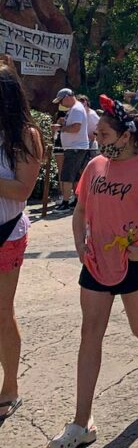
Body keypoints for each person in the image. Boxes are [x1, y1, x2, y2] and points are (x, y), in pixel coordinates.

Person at [46, 97, 138, 448]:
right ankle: (82, 422)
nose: (98, 140)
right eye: (96, 134)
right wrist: (80, 244)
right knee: (90, 332)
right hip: (95, 262)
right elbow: (80, 211)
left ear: (126, 136)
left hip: (134, 262)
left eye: (105, 133)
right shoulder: (95, 166)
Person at [0, 66, 43, 422]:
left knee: (2, 312)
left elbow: (22, 190)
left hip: (6, 233)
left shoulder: (26, 136)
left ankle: (10, 385)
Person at [52, 88, 91, 209]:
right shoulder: (75, 109)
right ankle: (76, 200)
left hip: (75, 147)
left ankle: (65, 203)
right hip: (75, 147)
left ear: (67, 97)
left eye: (61, 100)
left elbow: (76, 128)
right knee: (75, 176)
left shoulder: (77, 109)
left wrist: (60, 129)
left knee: (67, 176)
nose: (60, 104)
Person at [78, 95, 100, 163]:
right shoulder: (81, 114)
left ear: (85, 103)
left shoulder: (92, 114)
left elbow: (99, 129)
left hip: (94, 142)